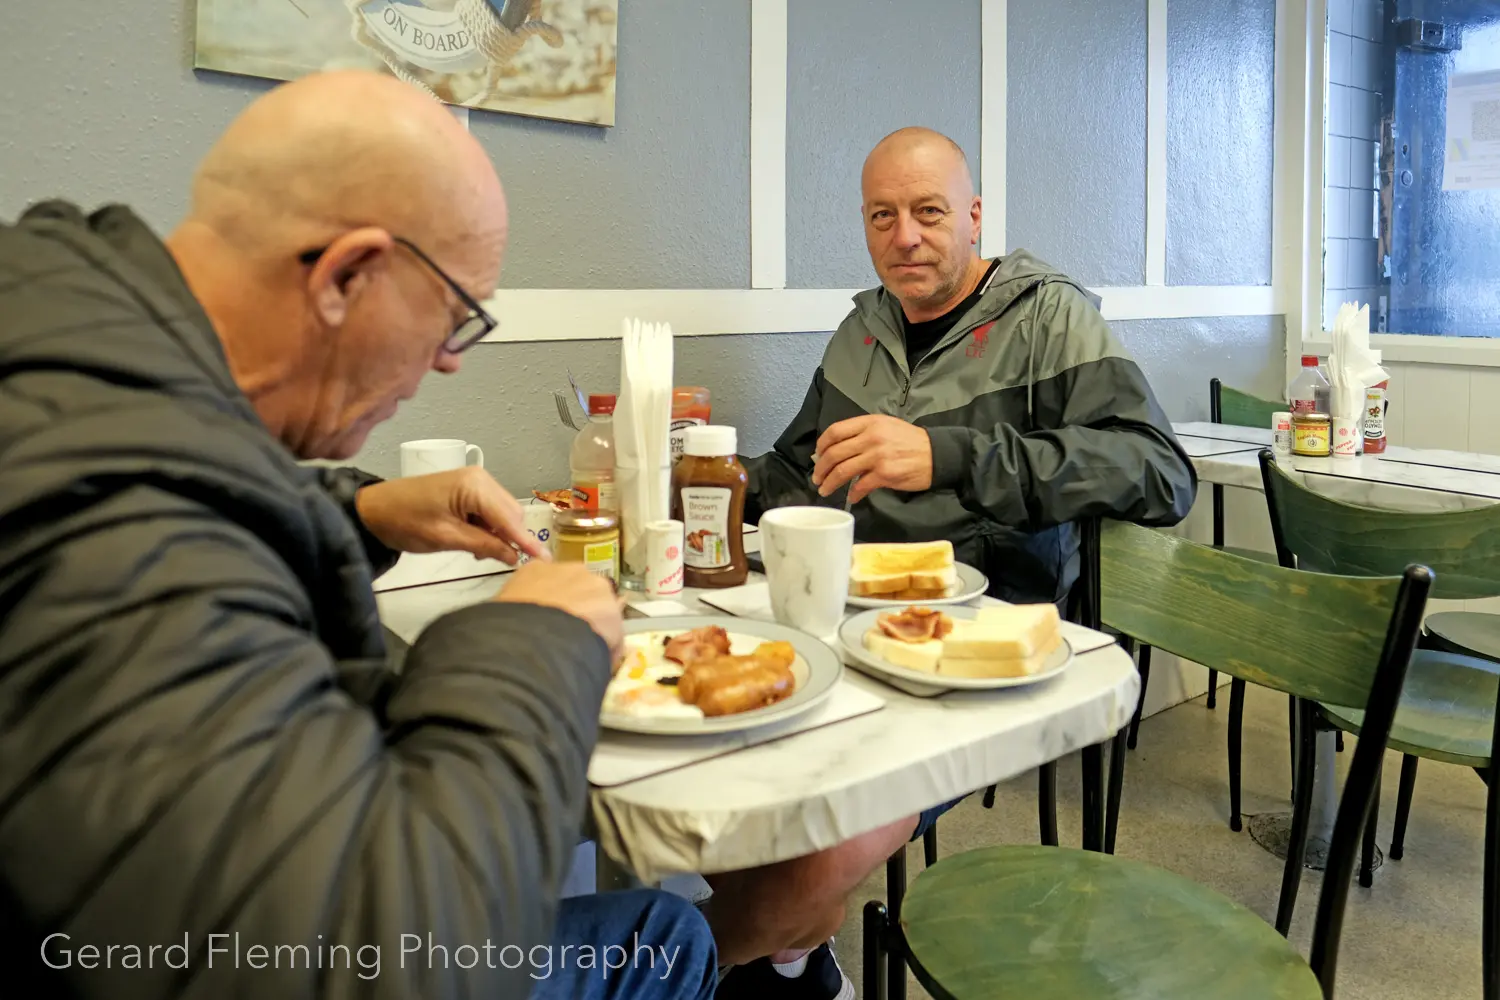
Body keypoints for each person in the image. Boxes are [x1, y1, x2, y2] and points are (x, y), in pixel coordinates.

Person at [0, 71, 716, 1000]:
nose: (452, 359)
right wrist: (535, 640)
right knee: (668, 935)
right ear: (345, 275)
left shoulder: (71, 342)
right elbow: (386, 959)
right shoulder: (109, 526)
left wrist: (356, 512)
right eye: (456, 316)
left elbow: (193, 518)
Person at [711, 127, 1197, 998]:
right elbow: (799, 469)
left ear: (973, 216)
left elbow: (1159, 474)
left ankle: (766, 961)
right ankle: (794, 958)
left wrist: (952, 456)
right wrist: (706, 479)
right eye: (882, 216)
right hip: (850, 623)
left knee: (809, 848)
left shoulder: (1050, 316)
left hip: (980, 644)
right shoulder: (862, 327)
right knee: (729, 773)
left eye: (929, 213)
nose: (905, 237)